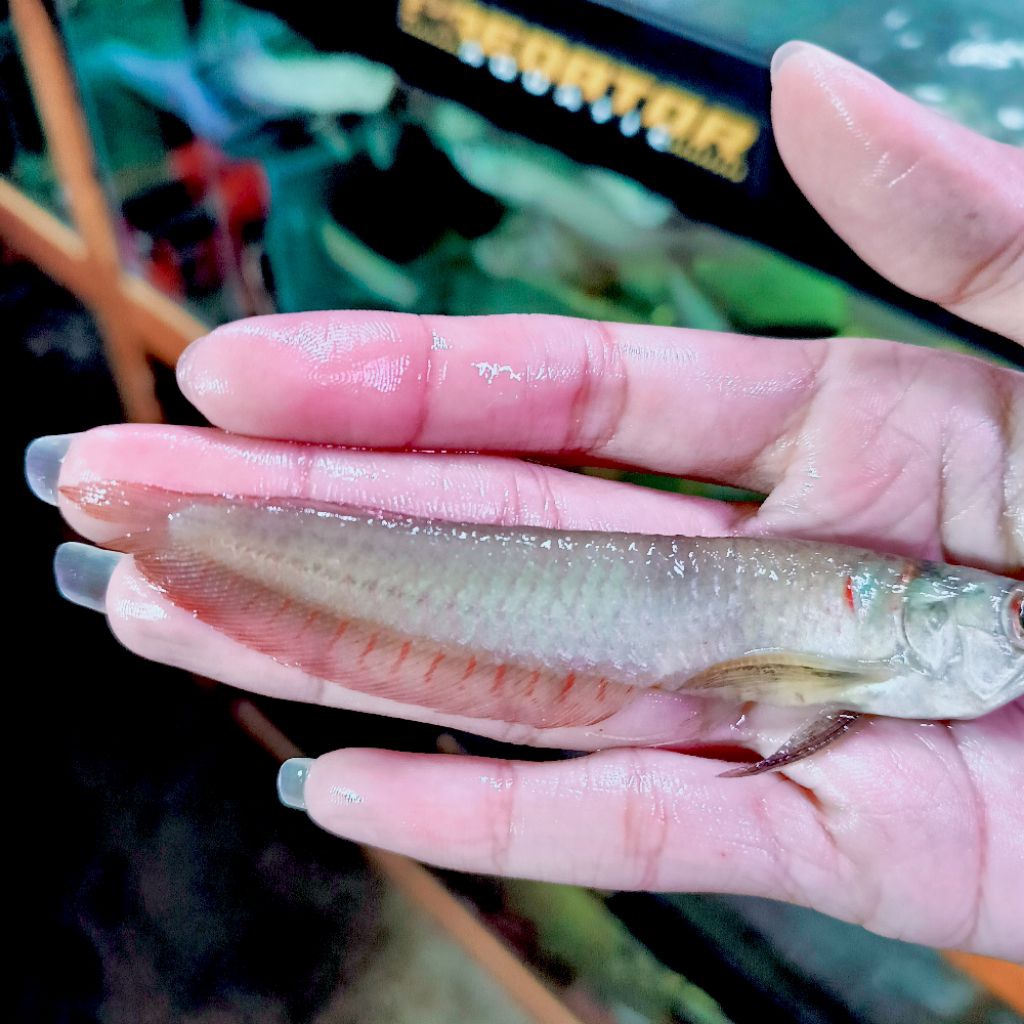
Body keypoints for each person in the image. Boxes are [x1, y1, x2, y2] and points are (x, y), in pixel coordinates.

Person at [25, 42, 1023, 959]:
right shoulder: (892, 619)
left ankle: (182, 527)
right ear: (925, 606)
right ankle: (185, 524)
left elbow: (800, 685)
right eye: (1012, 609)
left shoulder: (892, 641)